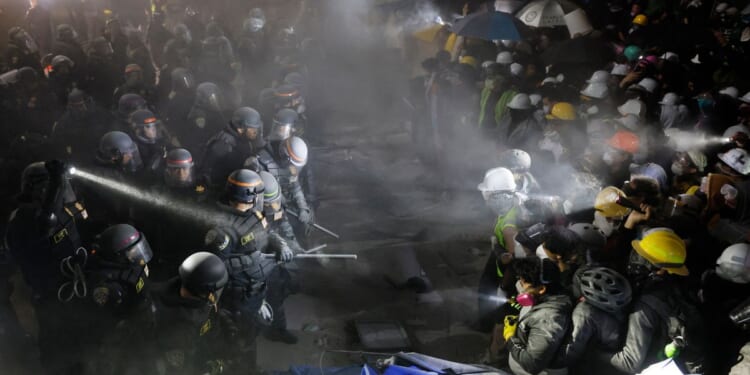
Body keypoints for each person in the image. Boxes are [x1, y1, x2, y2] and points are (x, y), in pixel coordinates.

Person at [4, 160, 91, 374]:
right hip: (53, 297)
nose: (64, 192)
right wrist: (56, 182)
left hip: (74, 292)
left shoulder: (61, 211)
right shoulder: (23, 218)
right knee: (58, 352)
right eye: (58, 187)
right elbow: (45, 223)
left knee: (81, 346)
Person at [606, 228, 704, 374]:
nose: (635, 261)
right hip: (693, 362)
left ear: (661, 270)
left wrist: (594, 352)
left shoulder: (645, 306)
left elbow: (629, 363)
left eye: (643, 258)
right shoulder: (679, 287)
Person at [505, 258, 572, 375]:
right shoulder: (546, 299)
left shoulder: (548, 320)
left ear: (541, 289)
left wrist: (510, 337)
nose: (520, 286)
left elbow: (532, 364)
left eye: (523, 282)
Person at [563, 267, 632, 373]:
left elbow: (571, 351)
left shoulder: (583, 313)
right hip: (618, 352)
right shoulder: (624, 303)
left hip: (601, 364)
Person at [199, 107, 264, 187]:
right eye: (253, 128)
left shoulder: (243, 139)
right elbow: (206, 172)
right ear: (240, 129)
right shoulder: (223, 145)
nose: (256, 132)